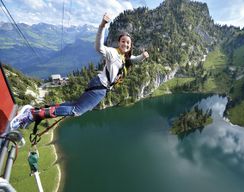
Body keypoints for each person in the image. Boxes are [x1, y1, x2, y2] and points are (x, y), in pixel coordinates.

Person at [10, 13, 149, 130]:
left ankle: (34, 110)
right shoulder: (113, 53)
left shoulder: (125, 57)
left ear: (130, 46)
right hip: (100, 87)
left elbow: (134, 60)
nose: (125, 44)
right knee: (76, 111)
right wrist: (102, 26)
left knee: (72, 105)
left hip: (99, 86)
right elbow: (99, 47)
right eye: (123, 41)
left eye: (128, 43)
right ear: (119, 43)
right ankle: (32, 114)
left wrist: (143, 56)